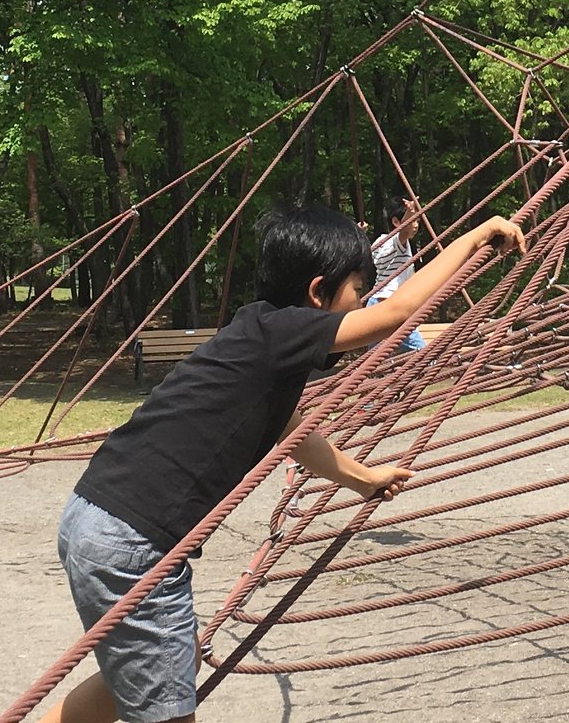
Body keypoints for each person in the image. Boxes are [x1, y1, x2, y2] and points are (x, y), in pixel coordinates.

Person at [44, 201, 525, 723]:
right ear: (318, 293)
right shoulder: (283, 334)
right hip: (133, 540)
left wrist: (363, 479)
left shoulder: (262, 339)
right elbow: (392, 317)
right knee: (166, 708)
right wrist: (475, 239)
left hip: (96, 515)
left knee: (136, 680)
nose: (362, 303)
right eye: (356, 292)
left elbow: (294, 433)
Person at [367, 196, 426, 351]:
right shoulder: (396, 243)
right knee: (423, 353)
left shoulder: (379, 242)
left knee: (372, 359)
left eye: (418, 221)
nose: (416, 226)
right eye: (413, 220)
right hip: (388, 304)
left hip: (374, 305)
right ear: (395, 222)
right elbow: (404, 231)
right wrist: (409, 212)